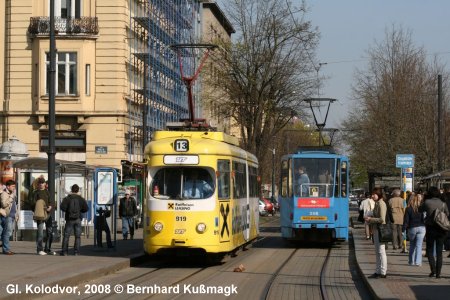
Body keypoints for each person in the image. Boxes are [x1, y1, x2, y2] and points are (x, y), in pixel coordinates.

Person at [419, 186, 449, 278]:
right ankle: (438, 274)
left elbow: (420, 210)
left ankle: (433, 270)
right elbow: (447, 214)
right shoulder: (443, 204)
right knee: (439, 252)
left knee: (430, 250)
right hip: (441, 229)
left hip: (430, 228)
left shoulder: (427, 202)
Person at [365, 187, 388, 278]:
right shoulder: (377, 203)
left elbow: (382, 219)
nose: (372, 196)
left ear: (378, 195)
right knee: (378, 251)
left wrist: (371, 219)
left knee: (381, 251)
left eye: (374, 194)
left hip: (380, 229)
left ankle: (383, 271)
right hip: (376, 229)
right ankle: (378, 270)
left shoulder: (381, 204)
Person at [60, 184, 89, 256]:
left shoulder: (67, 198)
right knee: (78, 236)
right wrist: (79, 211)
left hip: (69, 219)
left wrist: (68, 211)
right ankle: (76, 252)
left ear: (71, 190)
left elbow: (62, 207)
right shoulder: (81, 199)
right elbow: (86, 209)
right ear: (78, 190)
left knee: (66, 236)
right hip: (78, 219)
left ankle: (64, 252)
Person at [32, 177, 56, 255]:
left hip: (48, 214)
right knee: (40, 233)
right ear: (38, 184)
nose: (41, 184)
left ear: (45, 184)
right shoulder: (36, 193)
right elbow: (32, 204)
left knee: (50, 231)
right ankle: (39, 249)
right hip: (40, 215)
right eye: (40, 183)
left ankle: (48, 249)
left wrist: (50, 206)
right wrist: (37, 209)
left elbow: (51, 202)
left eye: (42, 183)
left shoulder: (47, 192)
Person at [403, 192, 426, 266]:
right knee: (419, 245)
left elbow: (406, 221)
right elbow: (424, 219)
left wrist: (403, 230)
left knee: (412, 245)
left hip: (412, 228)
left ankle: (411, 261)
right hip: (421, 228)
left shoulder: (408, 209)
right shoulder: (421, 208)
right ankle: (418, 262)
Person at [0, 180, 16, 255]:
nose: (14, 188)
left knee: (7, 233)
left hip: (12, 216)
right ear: (8, 186)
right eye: (12, 186)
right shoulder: (4, 194)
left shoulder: (12, 193)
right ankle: (6, 249)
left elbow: (14, 205)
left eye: (14, 186)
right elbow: (4, 204)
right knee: (7, 233)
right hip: (7, 216)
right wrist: (11, 198)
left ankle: (4, 246)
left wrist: (17, 214)